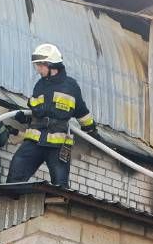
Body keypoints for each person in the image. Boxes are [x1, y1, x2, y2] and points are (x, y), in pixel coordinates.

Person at [6, 43, 97, 188]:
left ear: (51, 65)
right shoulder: (39, 85)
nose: (38, 69)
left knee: (61, 188)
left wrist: (91, 130)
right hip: (35, 141)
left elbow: (82, 112)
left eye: (40, 65)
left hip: (57, 146)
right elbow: (40, 113)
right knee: (14, 177)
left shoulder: (71, 86)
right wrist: (26, 119)